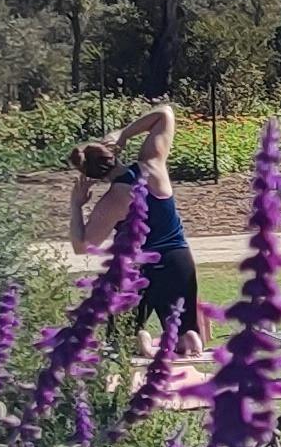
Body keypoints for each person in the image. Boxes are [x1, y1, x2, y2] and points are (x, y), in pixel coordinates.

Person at [76, 104, 199, 346]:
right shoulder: (153, 164)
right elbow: (165, 113)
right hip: (178, 259)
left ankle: (138, 337)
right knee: (182, 333)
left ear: (92, 175)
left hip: (137, 268)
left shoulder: (113, 199)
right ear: (114, 154)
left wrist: (76, 205)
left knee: (122, 337)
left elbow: (82, 246)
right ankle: (189, 339)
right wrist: (123, 133)